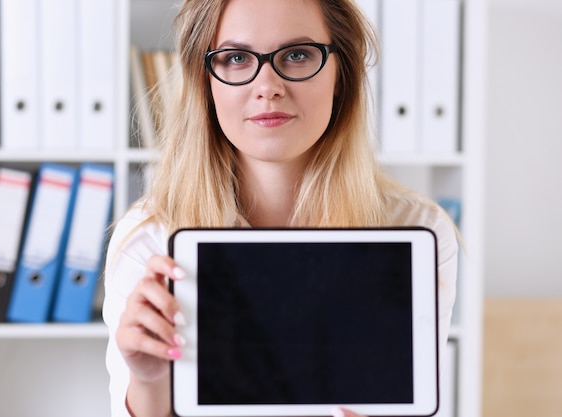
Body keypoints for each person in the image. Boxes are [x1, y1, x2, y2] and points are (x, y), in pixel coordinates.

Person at [103, 0, 458, 416]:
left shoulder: (415, 230)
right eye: (236, 58)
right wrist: (149, 382)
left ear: (341, 74)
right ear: (206, 82)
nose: (267, 85)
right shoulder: (151, 239)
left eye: (297, 55)